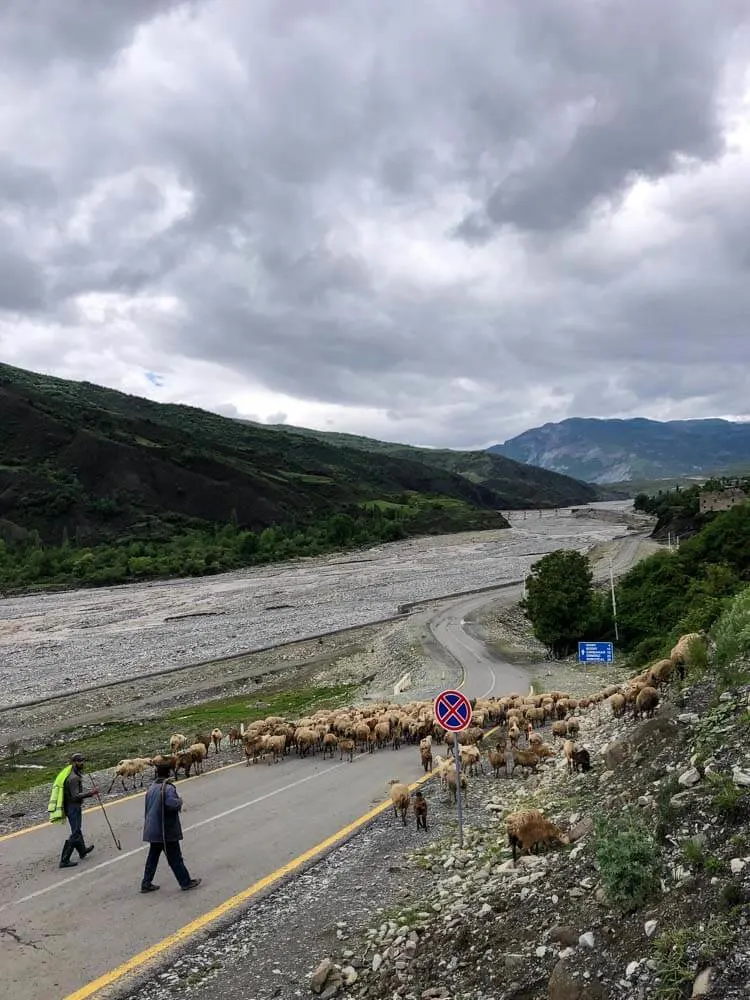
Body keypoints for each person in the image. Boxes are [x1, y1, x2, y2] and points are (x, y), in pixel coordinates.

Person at [141, 763, 201, 893]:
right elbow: (171, 805)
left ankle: (146, 883)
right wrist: (179, 801)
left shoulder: (151, 788)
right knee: (175, 857)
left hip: (153, 829)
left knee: (152, 857)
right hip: (165, 830)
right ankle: (185, 882)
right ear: (168, 773)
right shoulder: (168, 788)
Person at [53, 753, 97, 868]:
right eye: (79, 761)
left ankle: (82, 850)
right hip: (73, 807)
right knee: (76, 831)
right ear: (74, 762)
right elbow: (75, 796)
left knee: (76, 829)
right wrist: (91, 793)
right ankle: (64, 859)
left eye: (83, 760)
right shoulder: (74, 778)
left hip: (69, 806)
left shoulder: (71, 773)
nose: (82, 763)